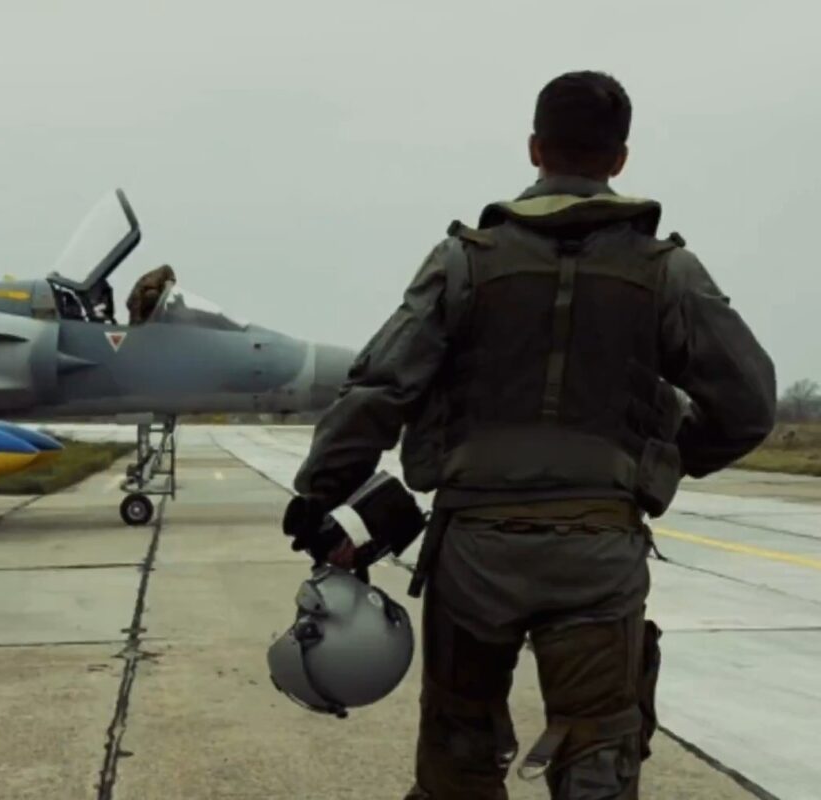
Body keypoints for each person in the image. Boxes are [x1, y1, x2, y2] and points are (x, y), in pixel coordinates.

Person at [282, 71, 777, 800]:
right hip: (598, 554)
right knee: (598, 762)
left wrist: (320, 488)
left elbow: (383, 387)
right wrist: (659, 460)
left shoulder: (465, 261)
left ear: (535, 146)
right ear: (620, 159)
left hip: (475, 554)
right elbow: (750, 403)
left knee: (458, 758)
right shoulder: (667, 272)